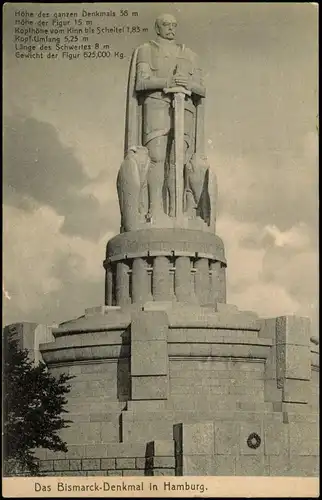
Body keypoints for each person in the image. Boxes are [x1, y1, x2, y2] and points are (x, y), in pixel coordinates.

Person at [125, 13, 206, 219]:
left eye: (174, 25)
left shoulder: (189, 55)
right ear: (157, 27)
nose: (171, 28)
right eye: (166, 24)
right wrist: (168, 81)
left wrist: (188, 84)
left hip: (184, 111)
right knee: (157, 158)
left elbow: (201, 89)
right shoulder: (147, 50)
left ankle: (176, 213)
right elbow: (141, 83)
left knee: (178, 161)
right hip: (157, 107)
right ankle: (155, 209)